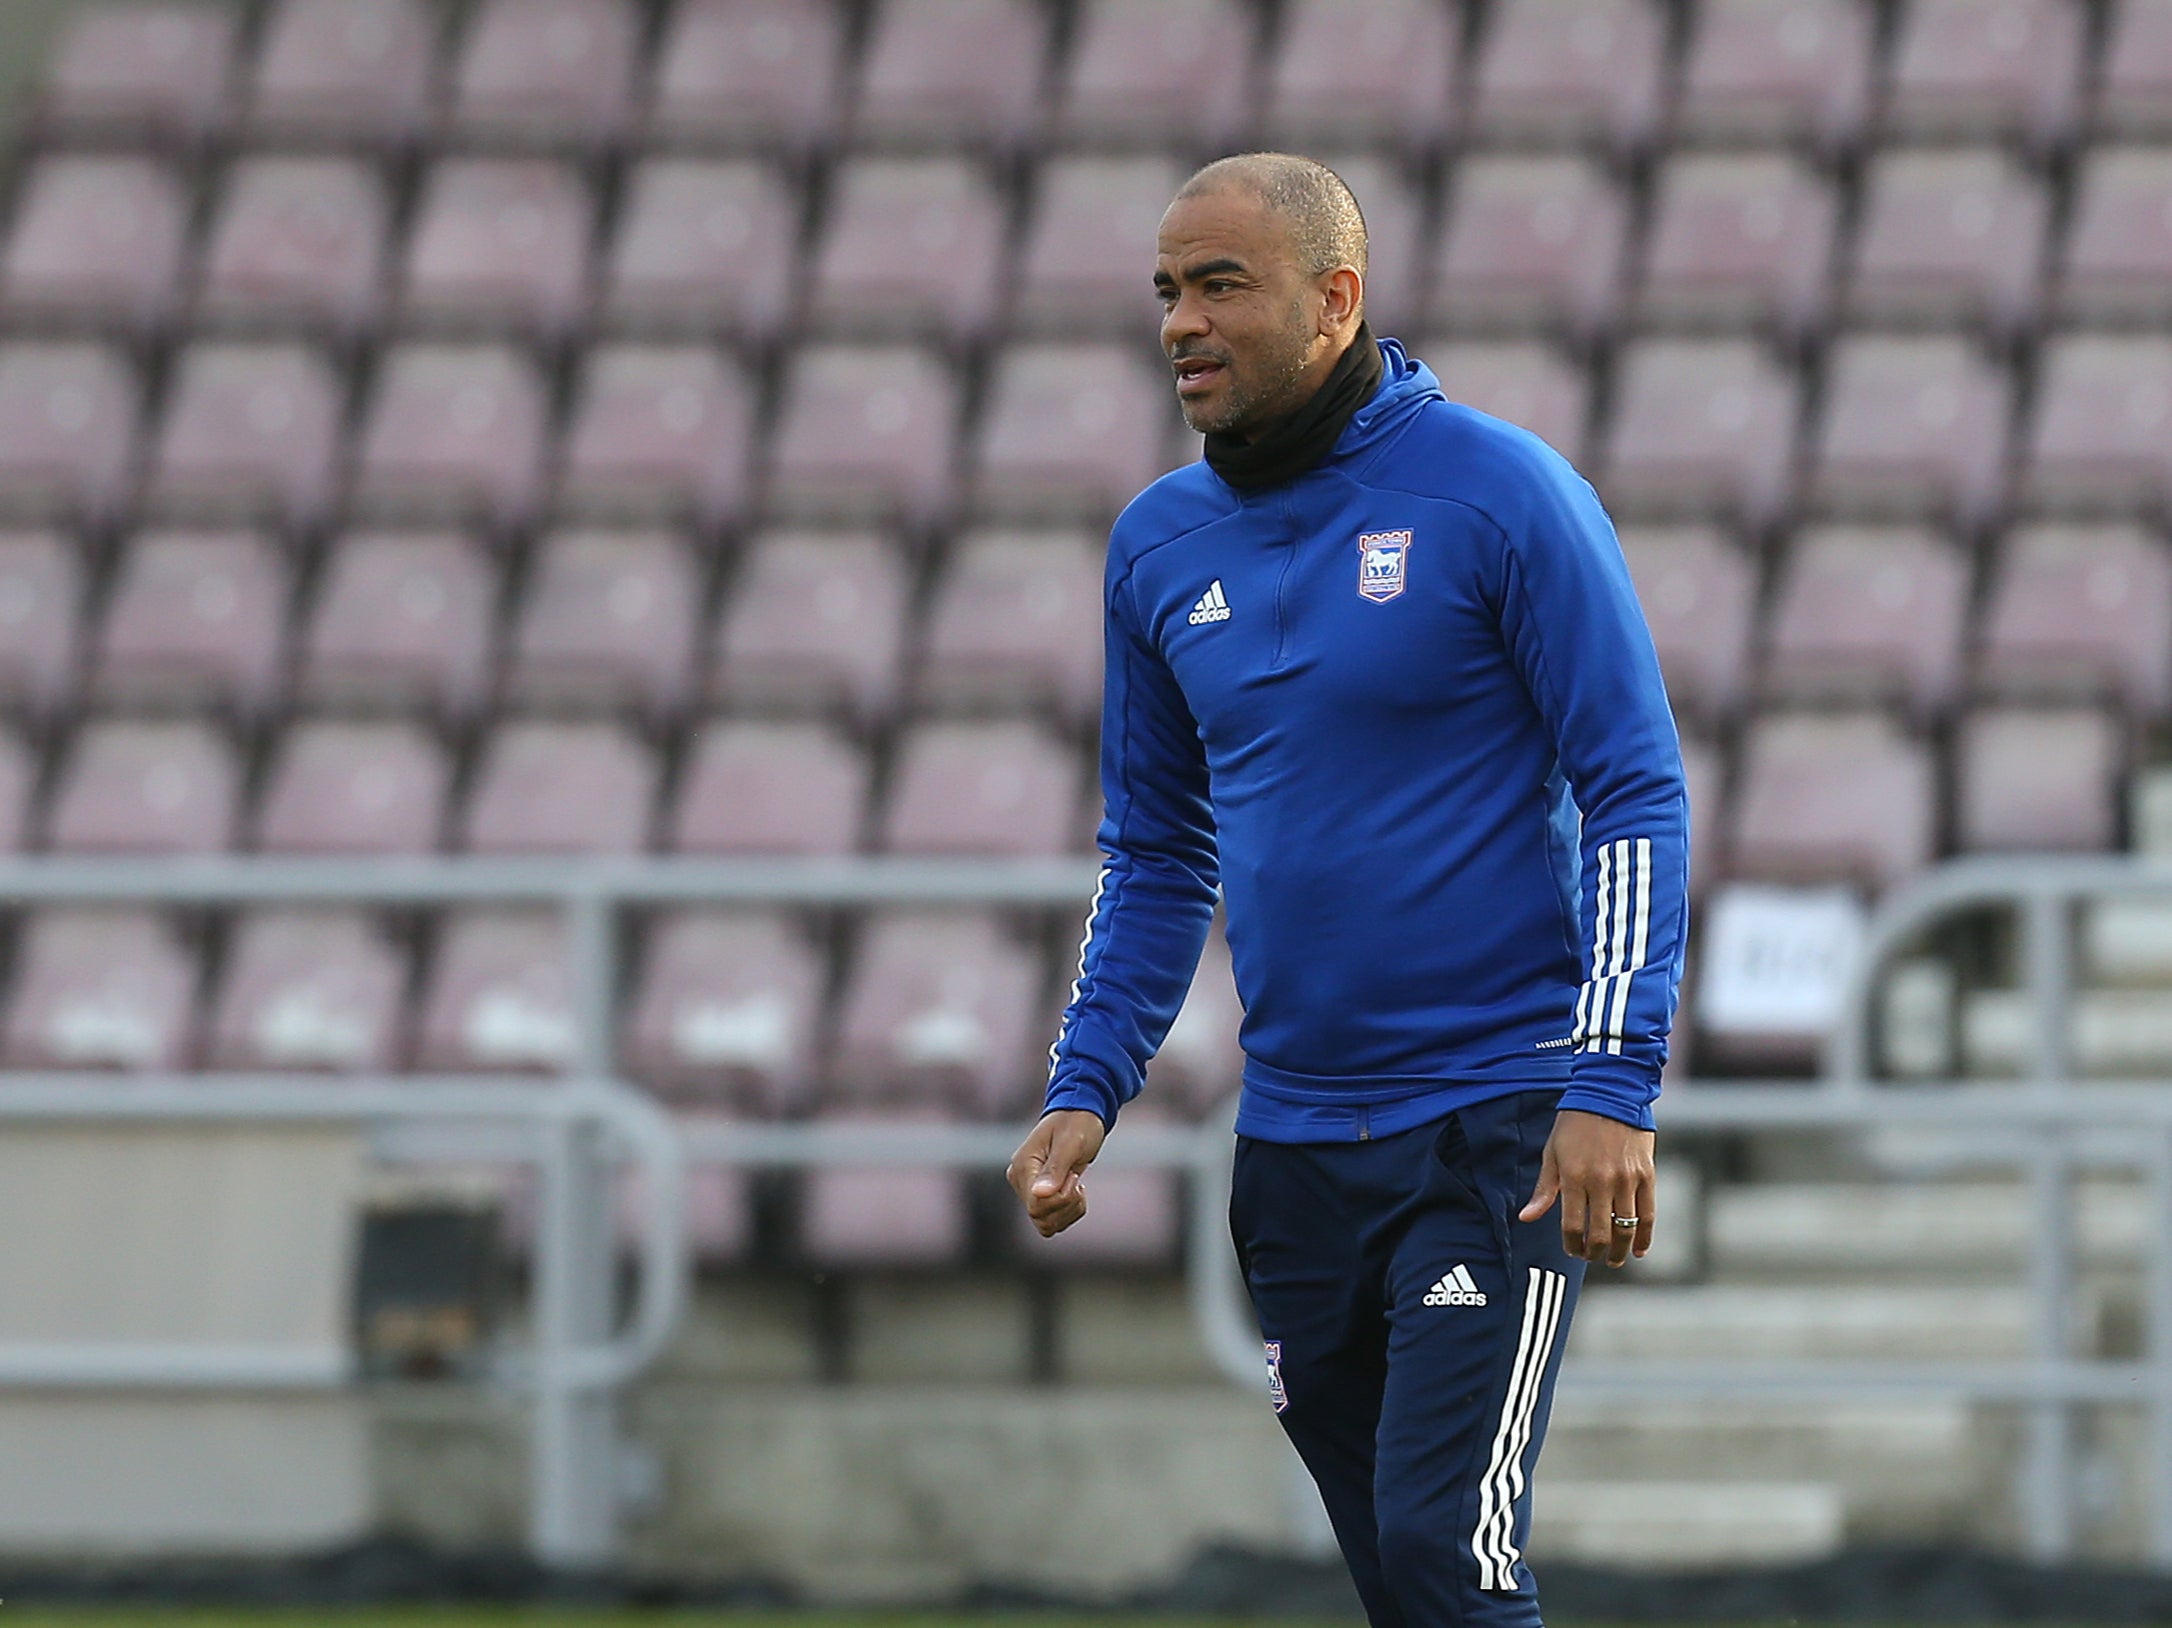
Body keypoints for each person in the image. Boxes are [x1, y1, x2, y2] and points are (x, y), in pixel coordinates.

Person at [1005, 154, 1688, 1628]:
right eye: (1167, 291)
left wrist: (1612, 1082)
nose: (1182, 321)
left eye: (1221, 286)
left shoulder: (1502, 494)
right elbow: (1157, 848)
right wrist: (1089, 1078)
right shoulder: (1156, 547)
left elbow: (1635, 787)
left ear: (1336, 298)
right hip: (1297, 1150)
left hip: (1492, 1129)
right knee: (1399, 1577)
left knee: (1451, 1554)